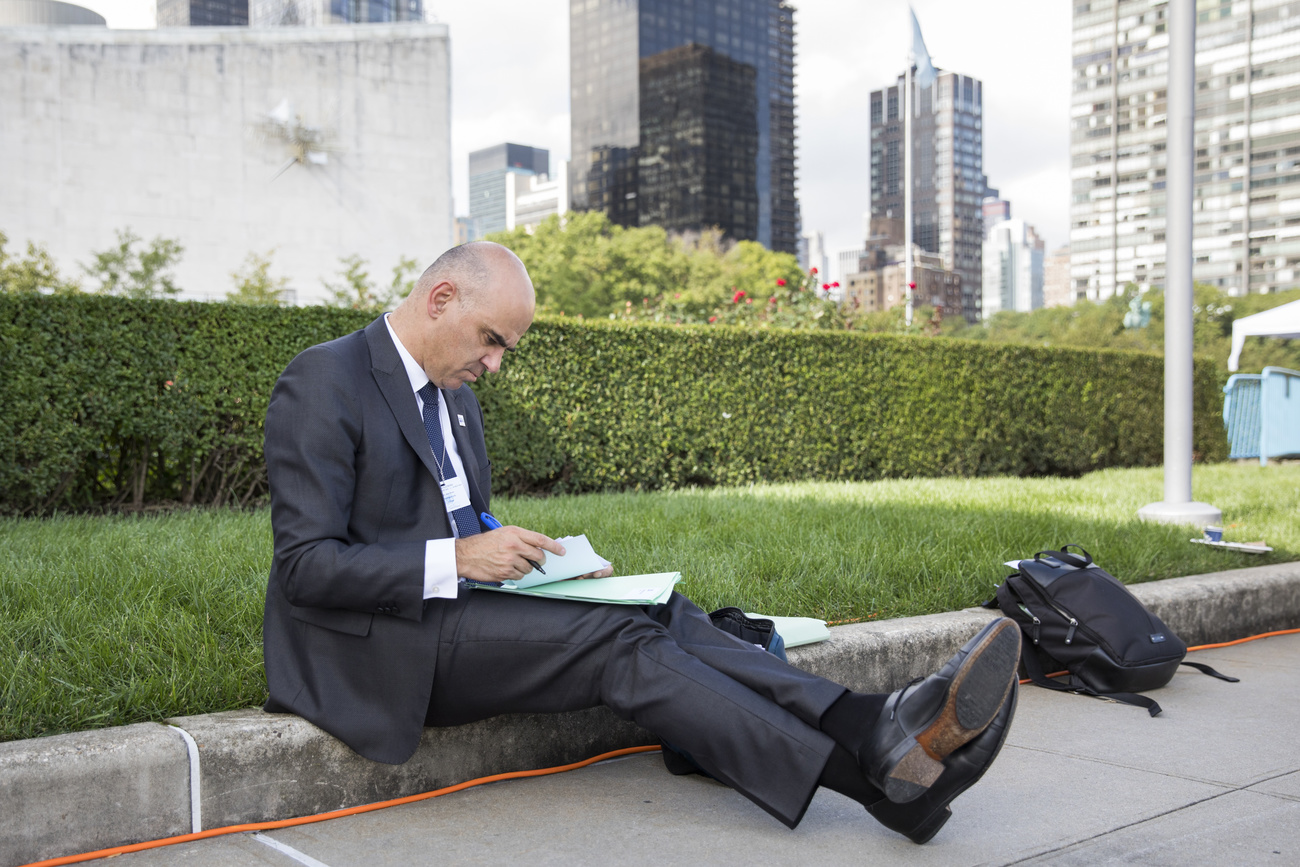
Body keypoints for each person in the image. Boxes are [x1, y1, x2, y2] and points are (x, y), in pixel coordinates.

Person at [261, 241, 1020, 843]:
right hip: (375, 647)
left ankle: (869, 725)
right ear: (440, 298)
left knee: (659, 606)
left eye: (504, 350)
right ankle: (875, 783)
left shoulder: (455, 401)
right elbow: (306, 569)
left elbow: (454, 517)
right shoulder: (325, 379)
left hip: (462, 610)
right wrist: (457, 557)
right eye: (492, 340)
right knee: (618, 640)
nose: (494, 364)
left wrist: (525, 552)